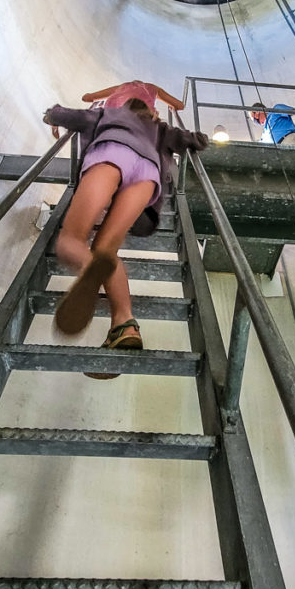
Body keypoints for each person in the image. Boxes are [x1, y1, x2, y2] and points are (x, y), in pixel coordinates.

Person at [42, 97, 208, 377]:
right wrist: (197, 138)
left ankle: (87, 268)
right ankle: (124, 325)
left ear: (125, 107)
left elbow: (70, 116)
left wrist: (51, 115)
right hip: (147, 175)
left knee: (71, 240)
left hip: (112, 153)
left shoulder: (107, 113)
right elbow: (195, 140)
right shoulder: (160, 129)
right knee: (105, 251)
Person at [81, 80, 185, 113]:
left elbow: (87, 98)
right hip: (143, 123)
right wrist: (172, 107)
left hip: (113, 119)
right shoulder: (153, 89)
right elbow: (180, 105)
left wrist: (87, 94)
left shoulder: (121, 88)